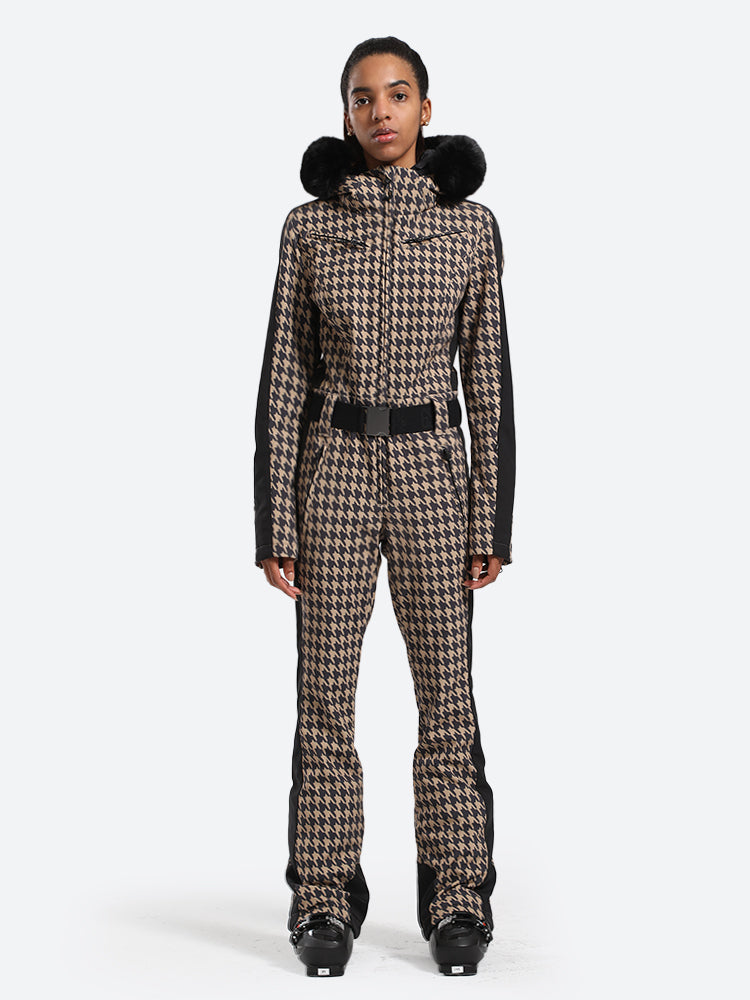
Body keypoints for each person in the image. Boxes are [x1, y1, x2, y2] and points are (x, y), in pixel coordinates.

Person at [253, 35, 516, 977]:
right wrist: (274, 521)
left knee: (447, 696)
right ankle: (323, 897)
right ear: (346, 114)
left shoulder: (469, 228)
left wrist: (491, 518)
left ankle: (458, 897)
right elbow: (284, 378)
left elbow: (488, 377)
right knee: (325, 697)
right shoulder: (309, 229)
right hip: (332, 473)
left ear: (425, 110)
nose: (381, 112)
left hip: (433, 474)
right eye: (363, 98)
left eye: (398, 95)